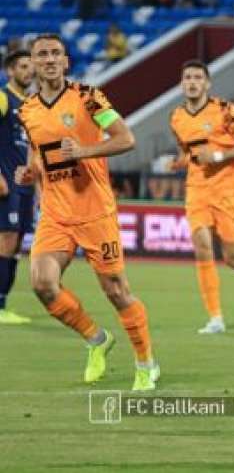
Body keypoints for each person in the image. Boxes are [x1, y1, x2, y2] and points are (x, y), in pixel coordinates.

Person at [16, 34, 158, 390]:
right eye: (41, 55)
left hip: (96, 212)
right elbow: (39, 152)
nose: (49, 60)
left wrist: (83, 151)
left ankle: (146, 364)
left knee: (116, 292)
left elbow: (126, 139)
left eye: (55, 54)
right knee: (42, 284)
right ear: (32, 64)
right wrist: (31, 171)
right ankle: (96, 339)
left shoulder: (89, 98)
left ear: (65, 61)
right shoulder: (27, 110)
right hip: (55, 215)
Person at [169, 60, 234, 334]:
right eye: (187, 77)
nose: (192, 82)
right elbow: (188, 151)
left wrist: (217, 156)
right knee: (202, 246)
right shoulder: (176, 117)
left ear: (207, 83)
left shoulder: (224, 110)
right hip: (197, 190)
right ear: (182, 83)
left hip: (228, 192)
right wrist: (180, 161)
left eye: (197, 77)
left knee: (233, 259)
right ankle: (215, 318)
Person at [0, 51, 34, 324]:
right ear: (10, 70)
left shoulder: (30, 104)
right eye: (23, 66)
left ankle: (4, 303)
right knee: (7, 239)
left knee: (18, 241)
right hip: (6, 182)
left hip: (26, 185)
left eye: (30, 67)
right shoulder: (3, 98)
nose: (29, 71)